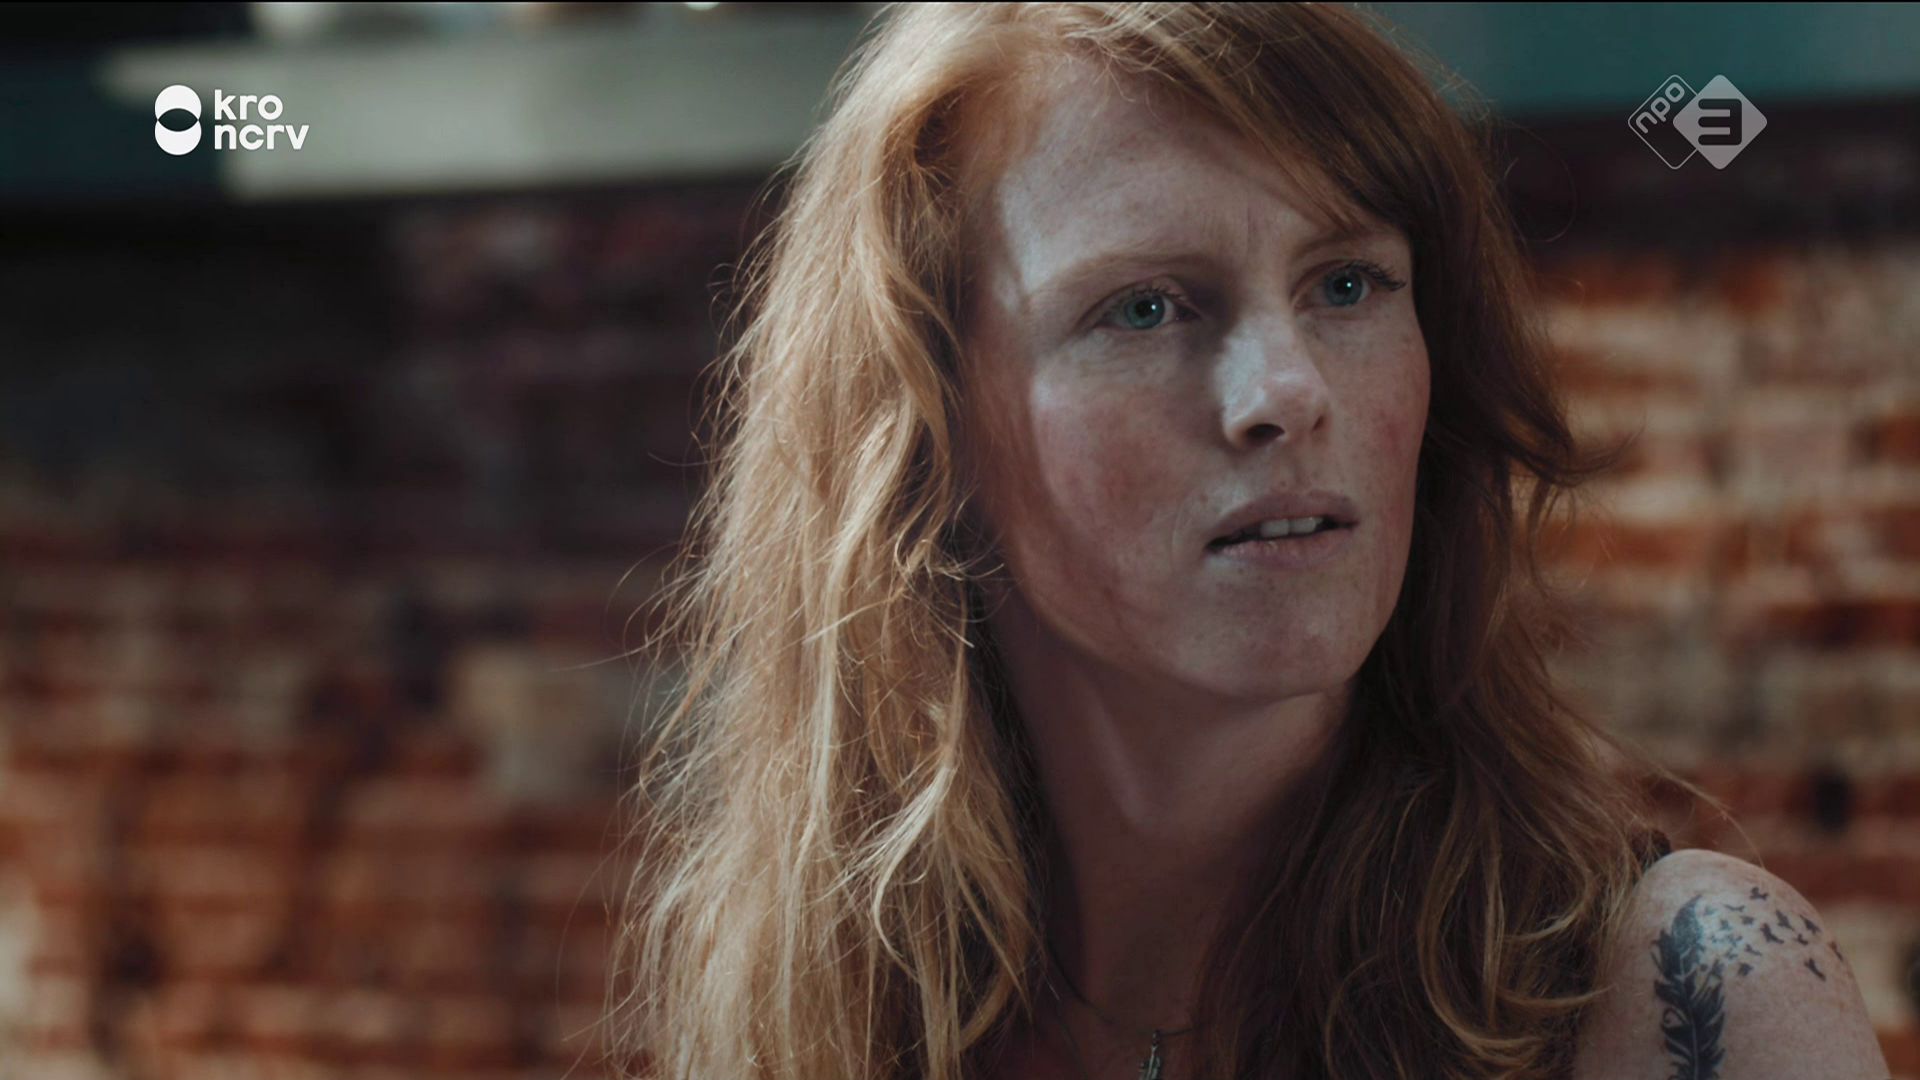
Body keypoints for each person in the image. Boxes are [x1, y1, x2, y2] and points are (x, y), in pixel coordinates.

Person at [608, 5, 1891, 1079]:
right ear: (925, 436)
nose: (1286, 389)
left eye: (1348, 283)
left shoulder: (1685, 993)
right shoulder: (815, 1006)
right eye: (1146, 308)